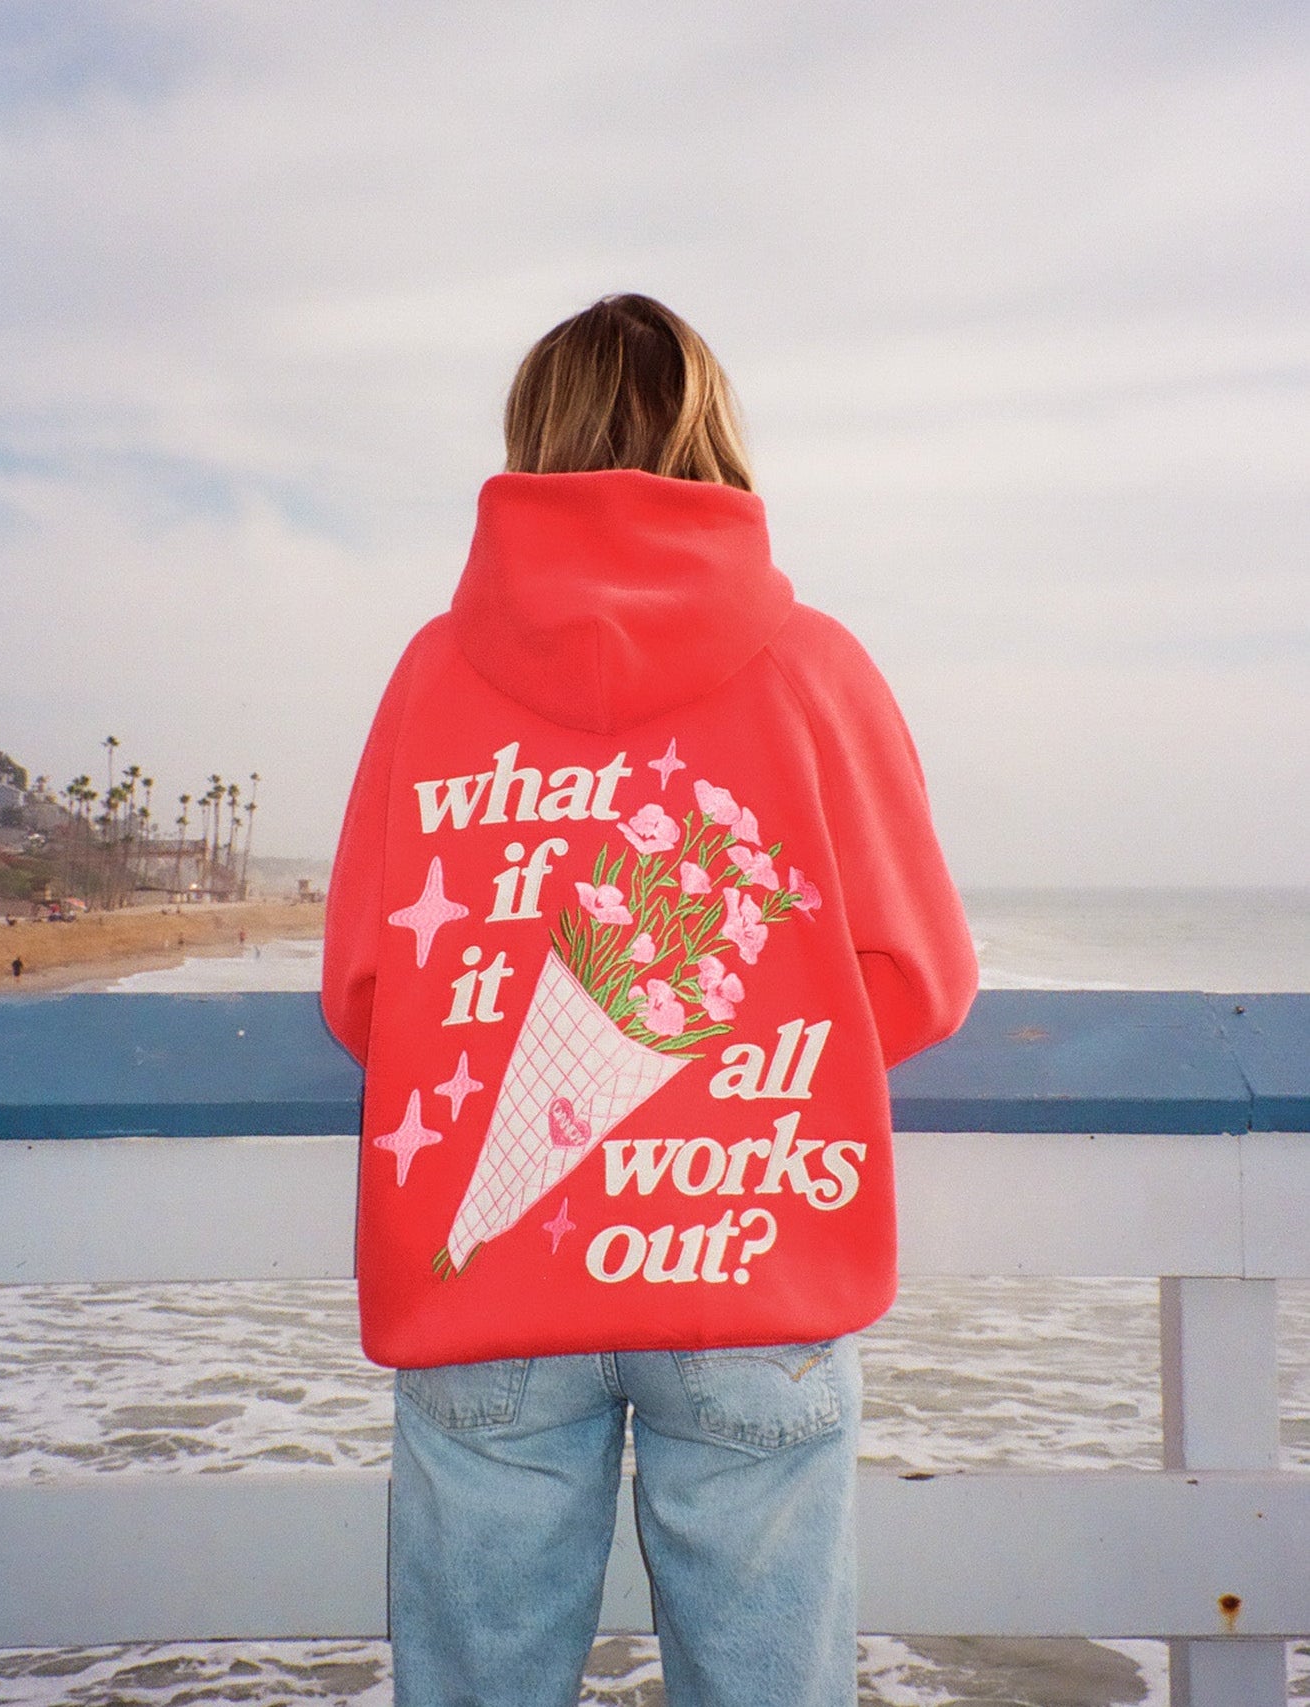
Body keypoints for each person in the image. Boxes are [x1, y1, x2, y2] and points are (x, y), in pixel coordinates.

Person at [322, 294, 977, 1707]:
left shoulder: (434, 672)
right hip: (753, 1258)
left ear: (527, 444)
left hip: (483, 1289)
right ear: (714, 436)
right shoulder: (815, 668)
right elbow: (917, 980)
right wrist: (745, 1059)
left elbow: (366, 993)